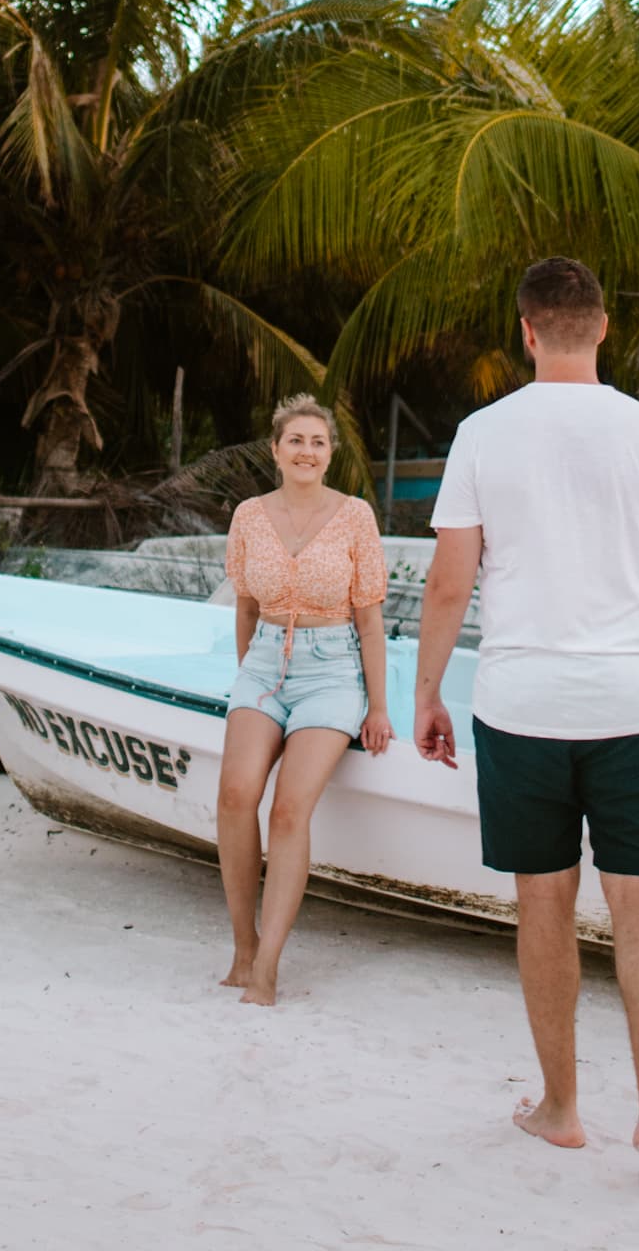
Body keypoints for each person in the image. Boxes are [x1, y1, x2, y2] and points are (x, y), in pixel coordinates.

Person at [414, 258, 639, 1191]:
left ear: (526, 331)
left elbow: (447, 583)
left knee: (543, 906)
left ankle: (559, 1110)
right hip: (635, 702)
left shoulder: (482, 432)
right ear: (600, 329)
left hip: (521, 703)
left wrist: (426, 692)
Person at [216, 394, 392, 1006]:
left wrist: (377, 706)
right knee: (236, 794)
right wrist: (250, 683)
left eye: (318, 442)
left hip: (334, 671)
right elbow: (243, 606)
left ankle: (268, 966)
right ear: (276, 449)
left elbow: (371, 622)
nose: (307, 451)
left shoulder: (355, 517)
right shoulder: (248, 515)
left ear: (330, 454)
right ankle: (243, 947)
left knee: (288, 810)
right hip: (264, 666)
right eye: (296, 440)